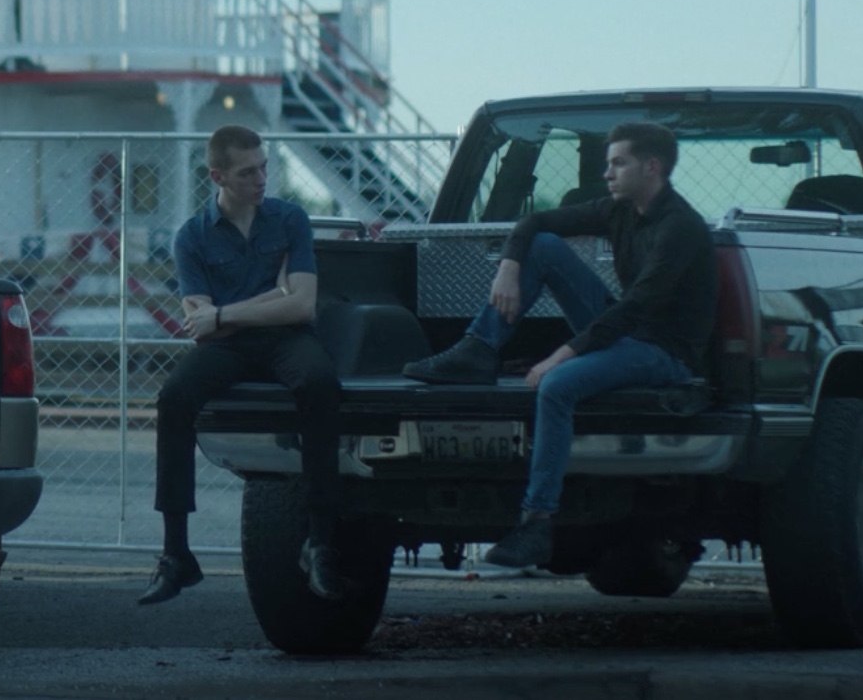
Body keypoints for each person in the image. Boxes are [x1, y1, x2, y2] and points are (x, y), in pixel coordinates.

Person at [401, 121, 716, 569]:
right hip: (626, 333)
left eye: (618, 163)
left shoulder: (681, 227)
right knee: (544, 246)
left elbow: (639, 306)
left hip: (664, 353)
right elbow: (536, 222)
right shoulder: (619, 210)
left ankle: (536, 523)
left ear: (652, 167)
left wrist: (562, 355)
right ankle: (478, 348)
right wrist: (509, 264)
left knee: (556, 386)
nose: (607, 173)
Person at [140, 125, 350, 605]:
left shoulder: (289, 219)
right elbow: (201, 328)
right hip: (227, 348)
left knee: (320, 385)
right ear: (218, 176)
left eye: (263, 168)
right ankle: (176, 555)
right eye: (247, 172)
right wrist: (271, 298)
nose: (261, 179)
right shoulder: (192, 236)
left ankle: (319, 543)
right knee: (173, 399)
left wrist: (225, 313)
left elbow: (302, 307)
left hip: (286, 340)